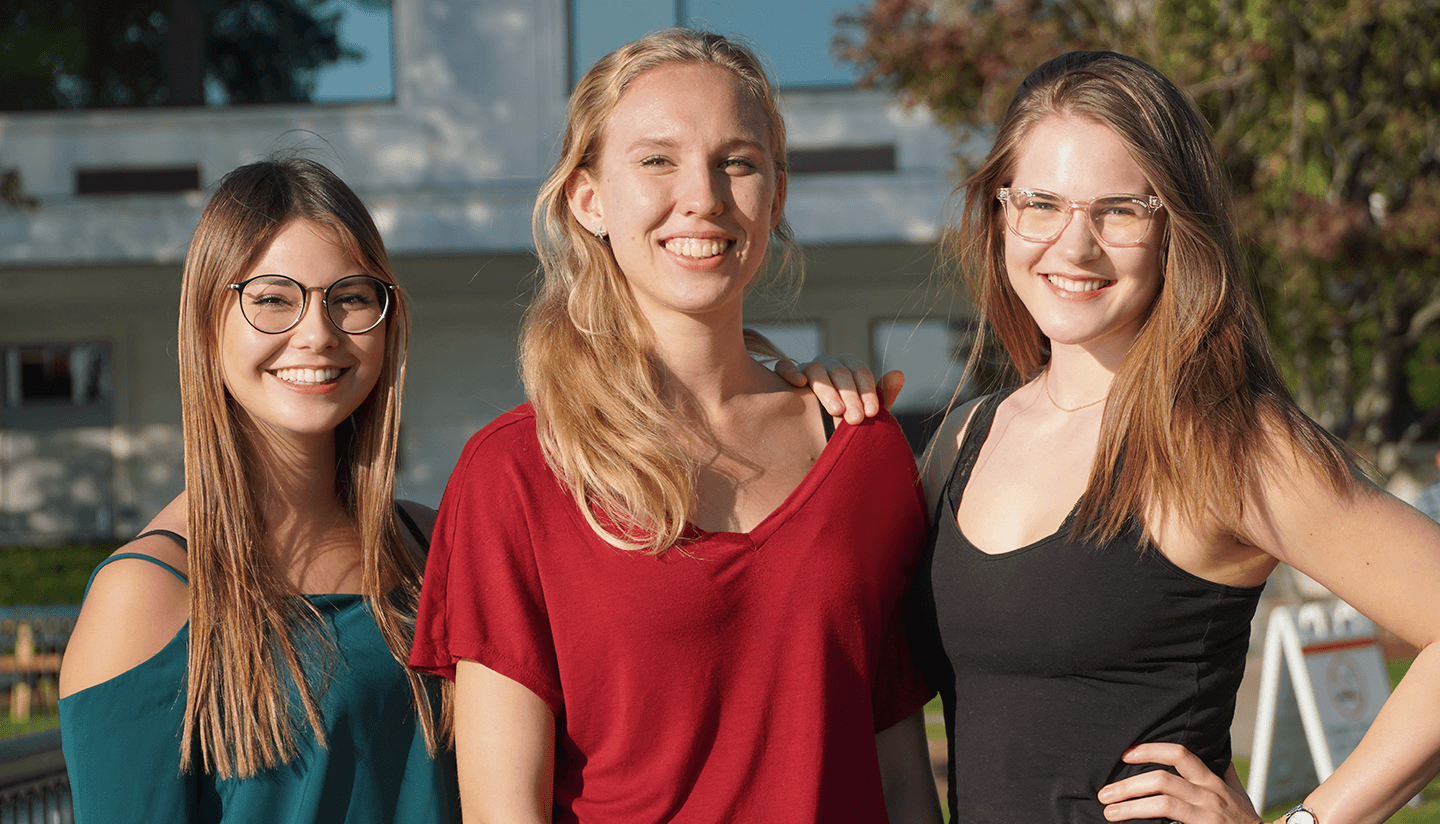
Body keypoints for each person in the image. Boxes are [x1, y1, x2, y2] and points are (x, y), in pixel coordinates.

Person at [799, 50, 1440, 824]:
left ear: (1176, 228)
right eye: (1042, 203)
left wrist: (1306, 822)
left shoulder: (1225, 442)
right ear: (1002, 212)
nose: (1075, 246)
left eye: (1120, 210)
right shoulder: (963, 439)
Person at [407, 28, 940, 824]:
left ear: (776, 194)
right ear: (589, 199)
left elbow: (900, 781)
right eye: (658, 160)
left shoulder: (862, 448)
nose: (705, 196)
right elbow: (503, 808)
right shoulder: (515, 472)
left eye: (739, 161)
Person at [58, 157, 458, 823]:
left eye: (351, 297)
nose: (317, 333)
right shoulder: (149, 593)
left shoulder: (433, 546)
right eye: (273, 298)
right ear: (208, 326)